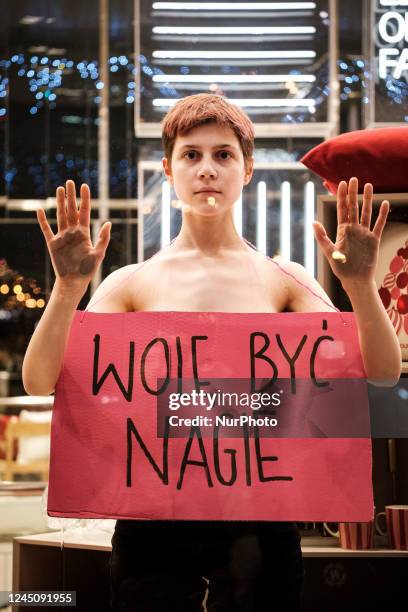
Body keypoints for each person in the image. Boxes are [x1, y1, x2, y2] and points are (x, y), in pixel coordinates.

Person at [22, 93, 401, 611]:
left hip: (258, 518)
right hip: (154, 519)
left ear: (246, 169)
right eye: (191, 154)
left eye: (223, 154)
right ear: (168, 168)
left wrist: (359, 287)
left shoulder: (283, 278)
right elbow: (39, 380)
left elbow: (380, 374)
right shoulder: (133, 282)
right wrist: (67, 289)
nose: (207, 169)